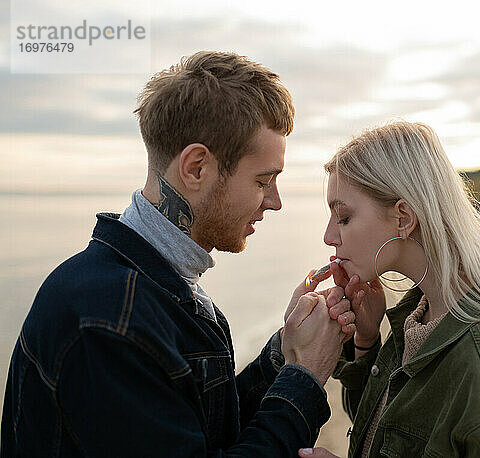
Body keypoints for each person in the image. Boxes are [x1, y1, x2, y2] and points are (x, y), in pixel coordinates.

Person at [1, 51, 356, 457]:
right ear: (196, 168)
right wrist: (306, 374)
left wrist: (282, 353)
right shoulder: (108, 324)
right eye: (262, 181)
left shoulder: (156, 283)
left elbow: (200, 428)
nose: (274, 202)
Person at [297, 121, 480, 457]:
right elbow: (384, 436)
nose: (329, 236)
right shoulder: (423, 313)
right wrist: (366, 342)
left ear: (403, 217)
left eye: (343, 217)